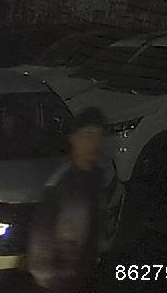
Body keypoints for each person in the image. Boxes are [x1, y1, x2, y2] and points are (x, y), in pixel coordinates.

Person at [26, 107, 108, 293]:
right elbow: (42, 235)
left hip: (85, 275)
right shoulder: (60, 183)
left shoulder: (96, 177)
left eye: (100, 136)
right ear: (73, 138)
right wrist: (47, 279)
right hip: (60, 281)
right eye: (88, 135)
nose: (94, 143)